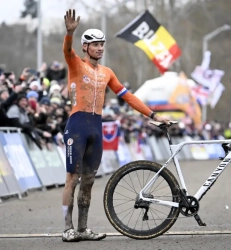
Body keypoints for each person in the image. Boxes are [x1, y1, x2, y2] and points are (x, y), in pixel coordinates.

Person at [61, 9, 171, 242]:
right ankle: (67, 228)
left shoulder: (107, 73)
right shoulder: (76, 65)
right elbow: (66, 51)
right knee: (73, 178)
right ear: (85, 47)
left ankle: (82, 229)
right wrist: (70, 33)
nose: (100, 48)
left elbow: (127, 96)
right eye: (95, 44)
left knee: (89, 181)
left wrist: (153, 114)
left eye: (102, 44)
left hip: (96, 127)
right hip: (77, 125)